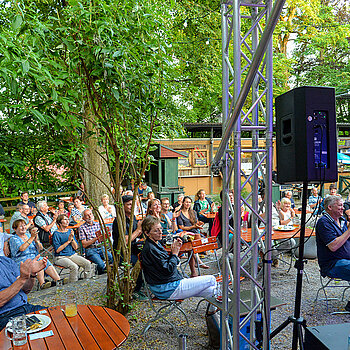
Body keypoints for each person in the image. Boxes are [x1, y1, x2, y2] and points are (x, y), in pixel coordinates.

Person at [140, 216, 217, 300]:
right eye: (156, 230)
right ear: (147, 233)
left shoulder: (155, 243)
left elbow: (166, 265)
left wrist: (175, 248)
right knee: (211, 279)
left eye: (160, 229)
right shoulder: (151, 249)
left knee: (211, 290)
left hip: (168, 284)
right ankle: (227, 310)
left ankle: (213, 311)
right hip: (166, 289)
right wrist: (175, 254)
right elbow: (168, 269)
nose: (160, 232)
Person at [315, 195, 350, 311]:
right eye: (340, 205)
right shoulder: (323, 222)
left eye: (343, 205)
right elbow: (333, 246)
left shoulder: (343, 221)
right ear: (329, 207)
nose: (343, 208)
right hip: (332, 264)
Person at [0, 255, 48, 331]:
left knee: (57, 317)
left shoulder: (6, 261)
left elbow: (26, 290)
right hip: (5, 316)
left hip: (27, 308)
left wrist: (32, 274)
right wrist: (22, 279)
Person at [9, 220, 60, 289]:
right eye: (20, 226)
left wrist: (36, 241)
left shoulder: (28, 235)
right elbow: (22, 248)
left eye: (24, 225)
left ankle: (58, 280)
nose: (23, 227)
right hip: (22, 261)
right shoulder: (14, 239)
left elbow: (40, 248)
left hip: (34, 258)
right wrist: (32, 237)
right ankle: (42, 284)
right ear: (15, 229)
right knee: (38, 261)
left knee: (44, 260)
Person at [112, 195, 145, 300]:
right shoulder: (119, 221)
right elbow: (125, 240)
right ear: (122, 206)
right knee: (141, 262)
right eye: (129, 204)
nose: (132, 206)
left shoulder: (133, 217)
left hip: (133, 249)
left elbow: (137, 235)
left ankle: (144, 283)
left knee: (149, 256)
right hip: (121, 253)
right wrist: (138, 230)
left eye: (133, 204)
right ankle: (135, 290)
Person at [52, 214, 91, 283]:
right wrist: (68, 241)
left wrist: (72, 239)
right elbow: (57, 250)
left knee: (87, 263)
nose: (67, 221)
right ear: (60, 223)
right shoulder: (56, 234)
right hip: (60, 257)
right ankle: (72, 285)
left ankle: (87, 282)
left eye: (68, 219)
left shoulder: (70, 231)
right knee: (74, 267)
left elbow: (76, 247)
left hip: (72, 255)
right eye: (65, 219)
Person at [79, 209, 113, 275]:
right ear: (83, 218)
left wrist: (105, 237)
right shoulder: (82, 227)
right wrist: (95, 239)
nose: (90, 216)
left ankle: (107, 274)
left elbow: (104, 238)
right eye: (87, 215)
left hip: (100, 247)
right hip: (90, 249)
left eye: (90, 214)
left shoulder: (98, 224)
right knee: (101, 265)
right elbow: (84, 245)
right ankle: (101, 276)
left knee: (111, 258)